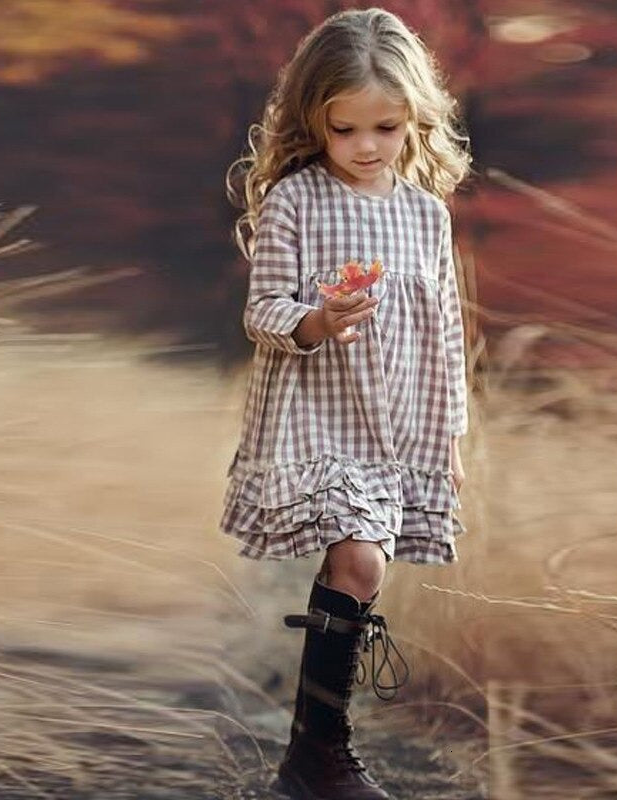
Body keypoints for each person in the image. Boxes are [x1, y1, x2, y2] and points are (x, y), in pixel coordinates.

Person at [220, 7, 474, 799]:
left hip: (400, 423)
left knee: (362, 573)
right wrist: (318, 320)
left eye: (386, 127)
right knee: (359, 559)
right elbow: (261, 312)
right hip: (316, 411)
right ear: (314, 122)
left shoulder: (425, 214)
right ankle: (322, 753)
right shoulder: (297, 200)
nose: (367, 146)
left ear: (414, 120)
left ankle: (311, 754)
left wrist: (452, 439)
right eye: (345, 129)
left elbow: (448, 332)